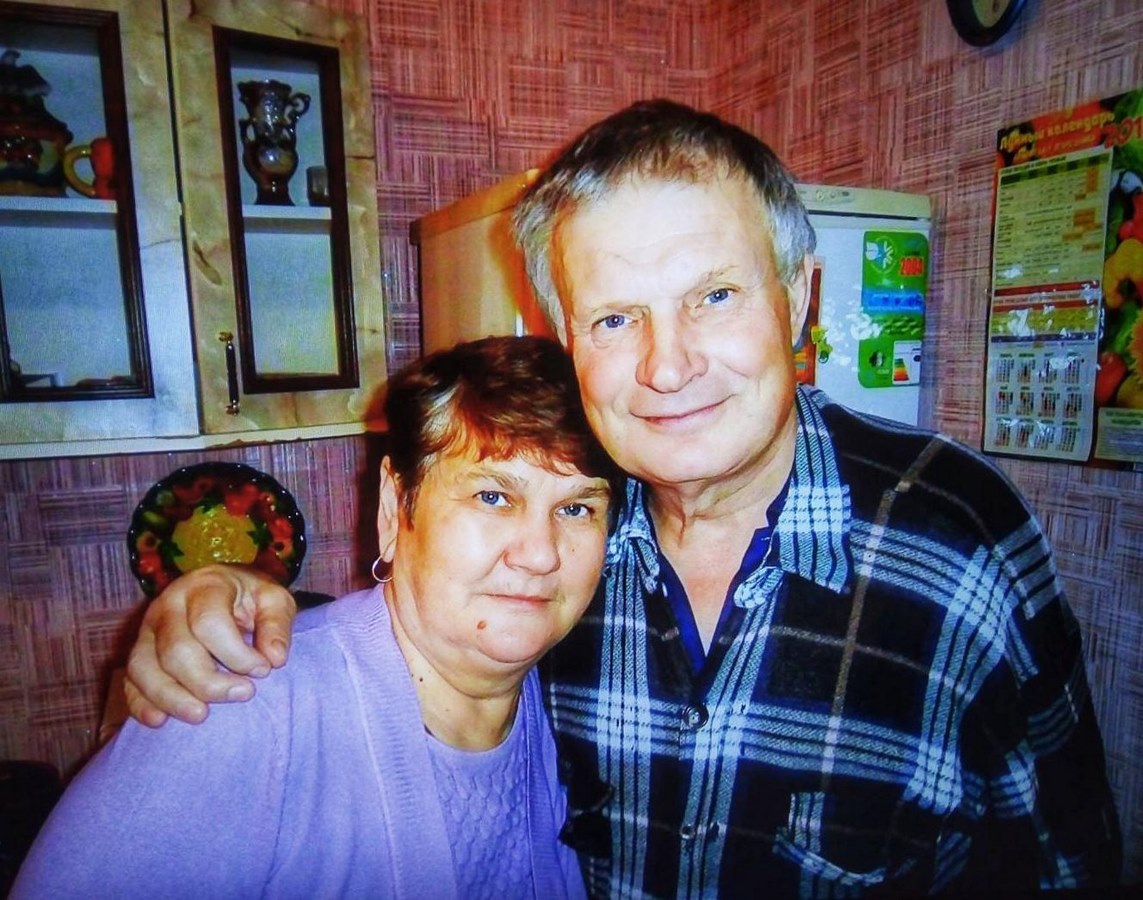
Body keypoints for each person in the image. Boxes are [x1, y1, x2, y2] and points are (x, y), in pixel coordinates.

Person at [120, 100, 1123, 897]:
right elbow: (410, 662)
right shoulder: (561, 546)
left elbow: (1067, 864)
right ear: (569, 342)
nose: (666, 366)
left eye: (714, 296)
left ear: (800, 297)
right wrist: (227, 604)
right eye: (613, 318)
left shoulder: (958, 540)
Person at [13, 335, 624, 899]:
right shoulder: (238, 707)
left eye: (577, 509)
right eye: (493, 496)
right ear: (395, 508)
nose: (540, 554)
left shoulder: (577, 707)